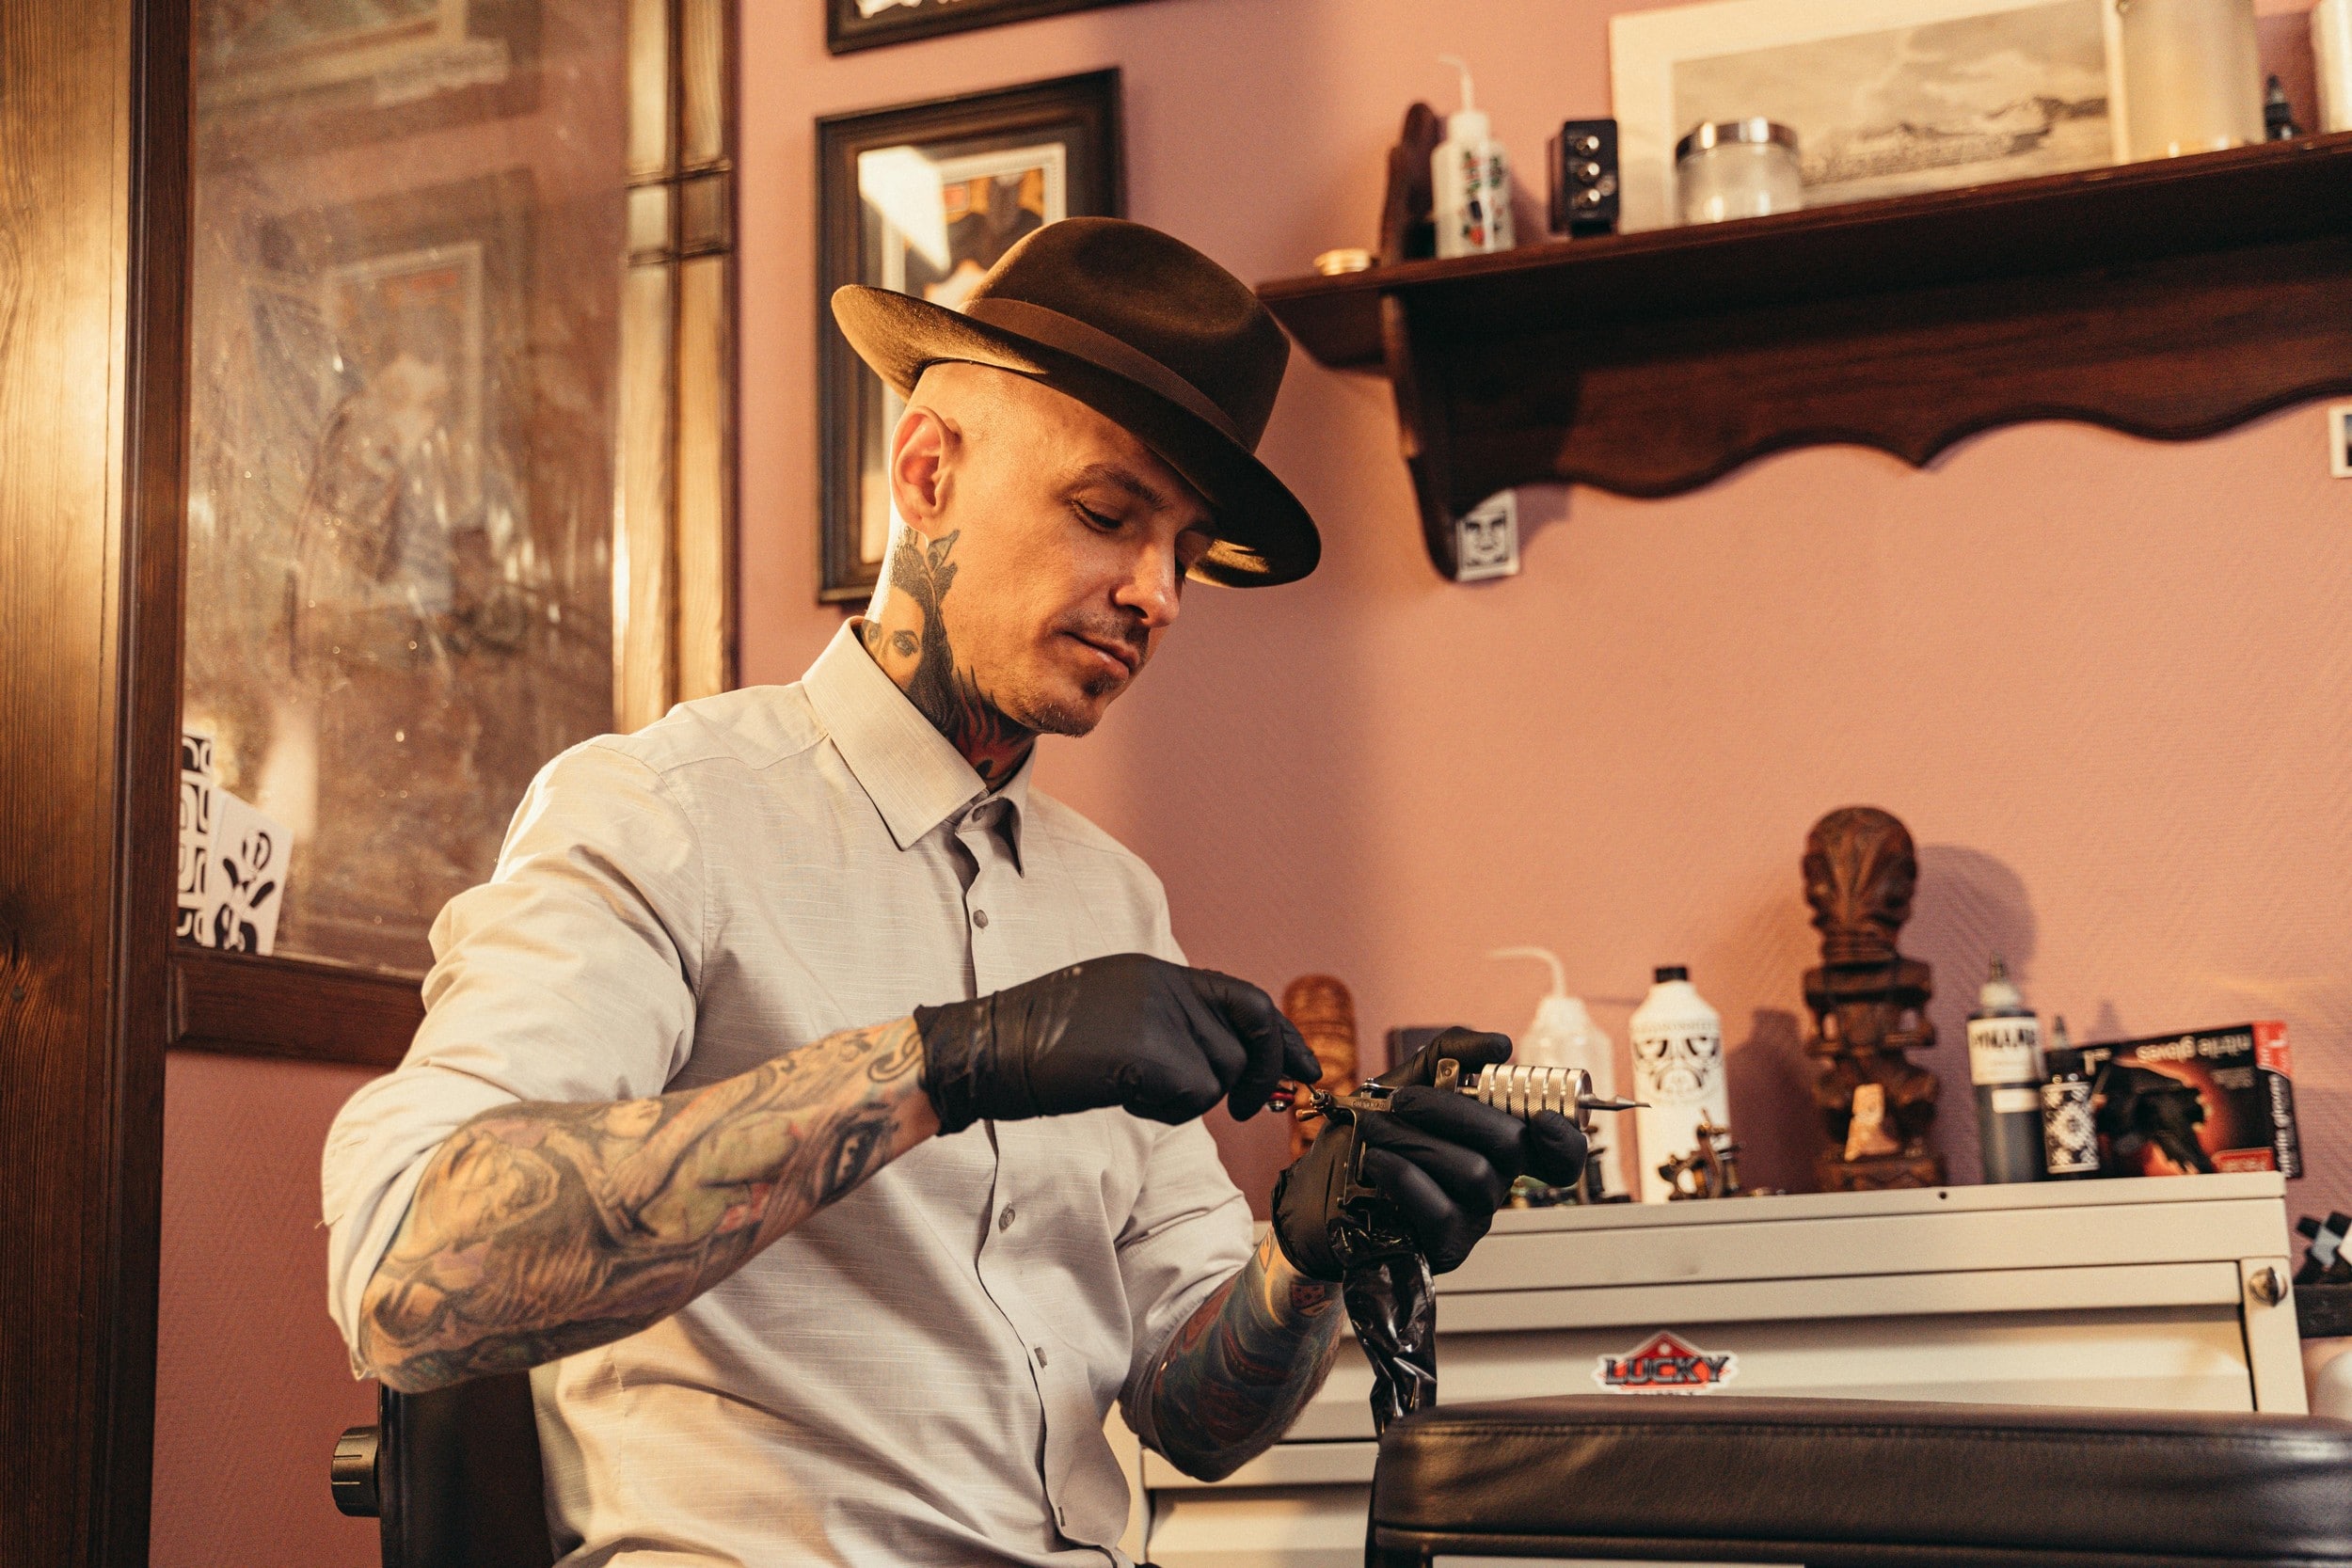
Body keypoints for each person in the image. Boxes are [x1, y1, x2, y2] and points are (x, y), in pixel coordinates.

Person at [320, 218, 1586, 1566]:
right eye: (1107, 514)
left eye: (1187, 549)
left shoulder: (1115, 904)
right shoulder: (662, 815)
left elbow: (1192, 1410)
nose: (1156, 593)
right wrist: (951, 1062)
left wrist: (1311, 1252)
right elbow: (412, 1275)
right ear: (926, 471)